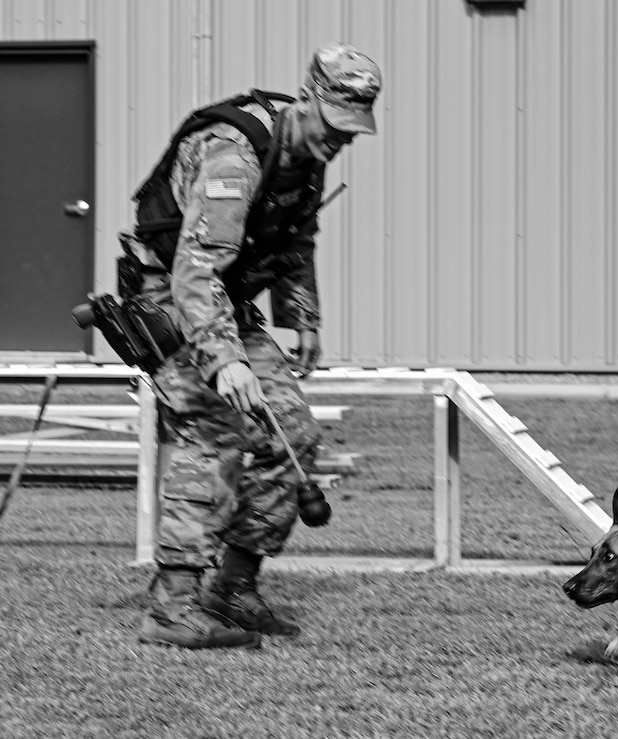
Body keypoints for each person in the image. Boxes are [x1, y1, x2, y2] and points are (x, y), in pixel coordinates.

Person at [130, 42, 381, 649]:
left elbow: (295, 243)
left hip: (229, 308)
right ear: (308, 100)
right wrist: (226, 361)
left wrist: (303, 318)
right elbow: (194, 271)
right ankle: (172, 605)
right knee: (214, 436)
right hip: (174, 303)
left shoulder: (308, 155)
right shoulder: (233, 154)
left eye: (353, 131)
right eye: (335, 125)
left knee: (292, 437)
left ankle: (232, 587)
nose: (341, 141)